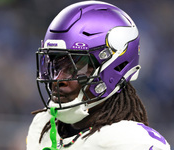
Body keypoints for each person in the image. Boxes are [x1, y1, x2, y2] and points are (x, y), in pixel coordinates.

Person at [26, 1, 171, 150]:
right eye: (56, 66)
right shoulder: (42, 127)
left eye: (75, 67)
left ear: (115, 68)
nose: (57, 80)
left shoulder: (131, 142)